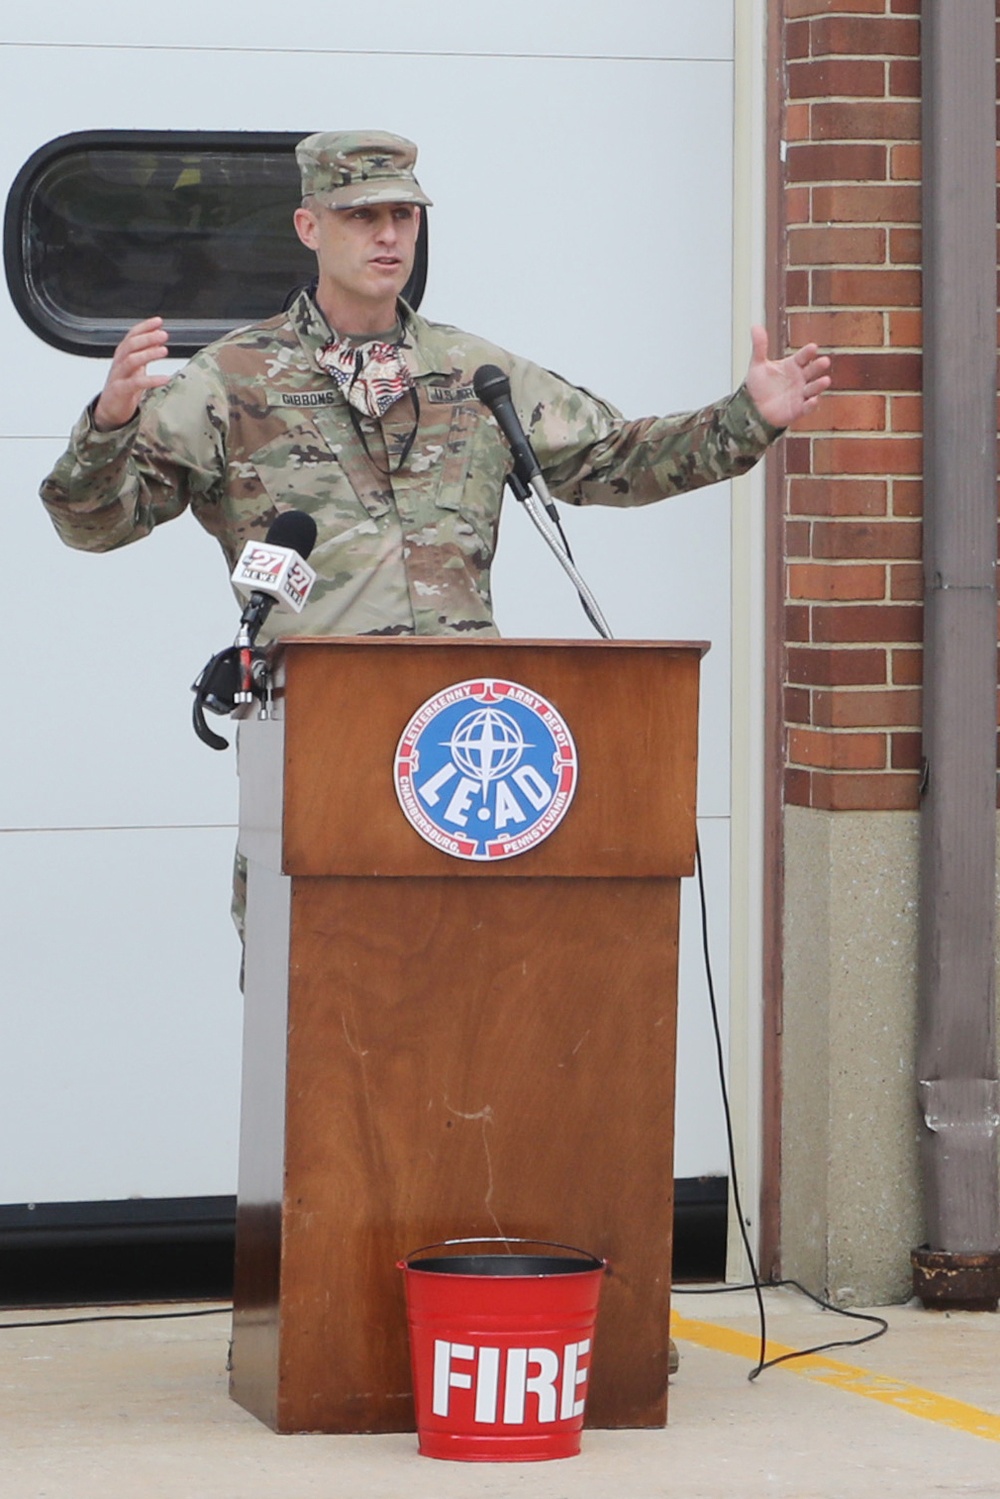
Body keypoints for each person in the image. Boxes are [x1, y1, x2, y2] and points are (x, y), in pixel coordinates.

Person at [40, 130, 830, 643]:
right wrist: (109, 425)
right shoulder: (231, 380)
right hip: (316, 731)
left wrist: (744, 418)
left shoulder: (472, 374)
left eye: (404, 216)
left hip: (461, 733)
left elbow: (612, 458)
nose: (389, 235)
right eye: (361, 217)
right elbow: (95, 524)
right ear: (309, 228)